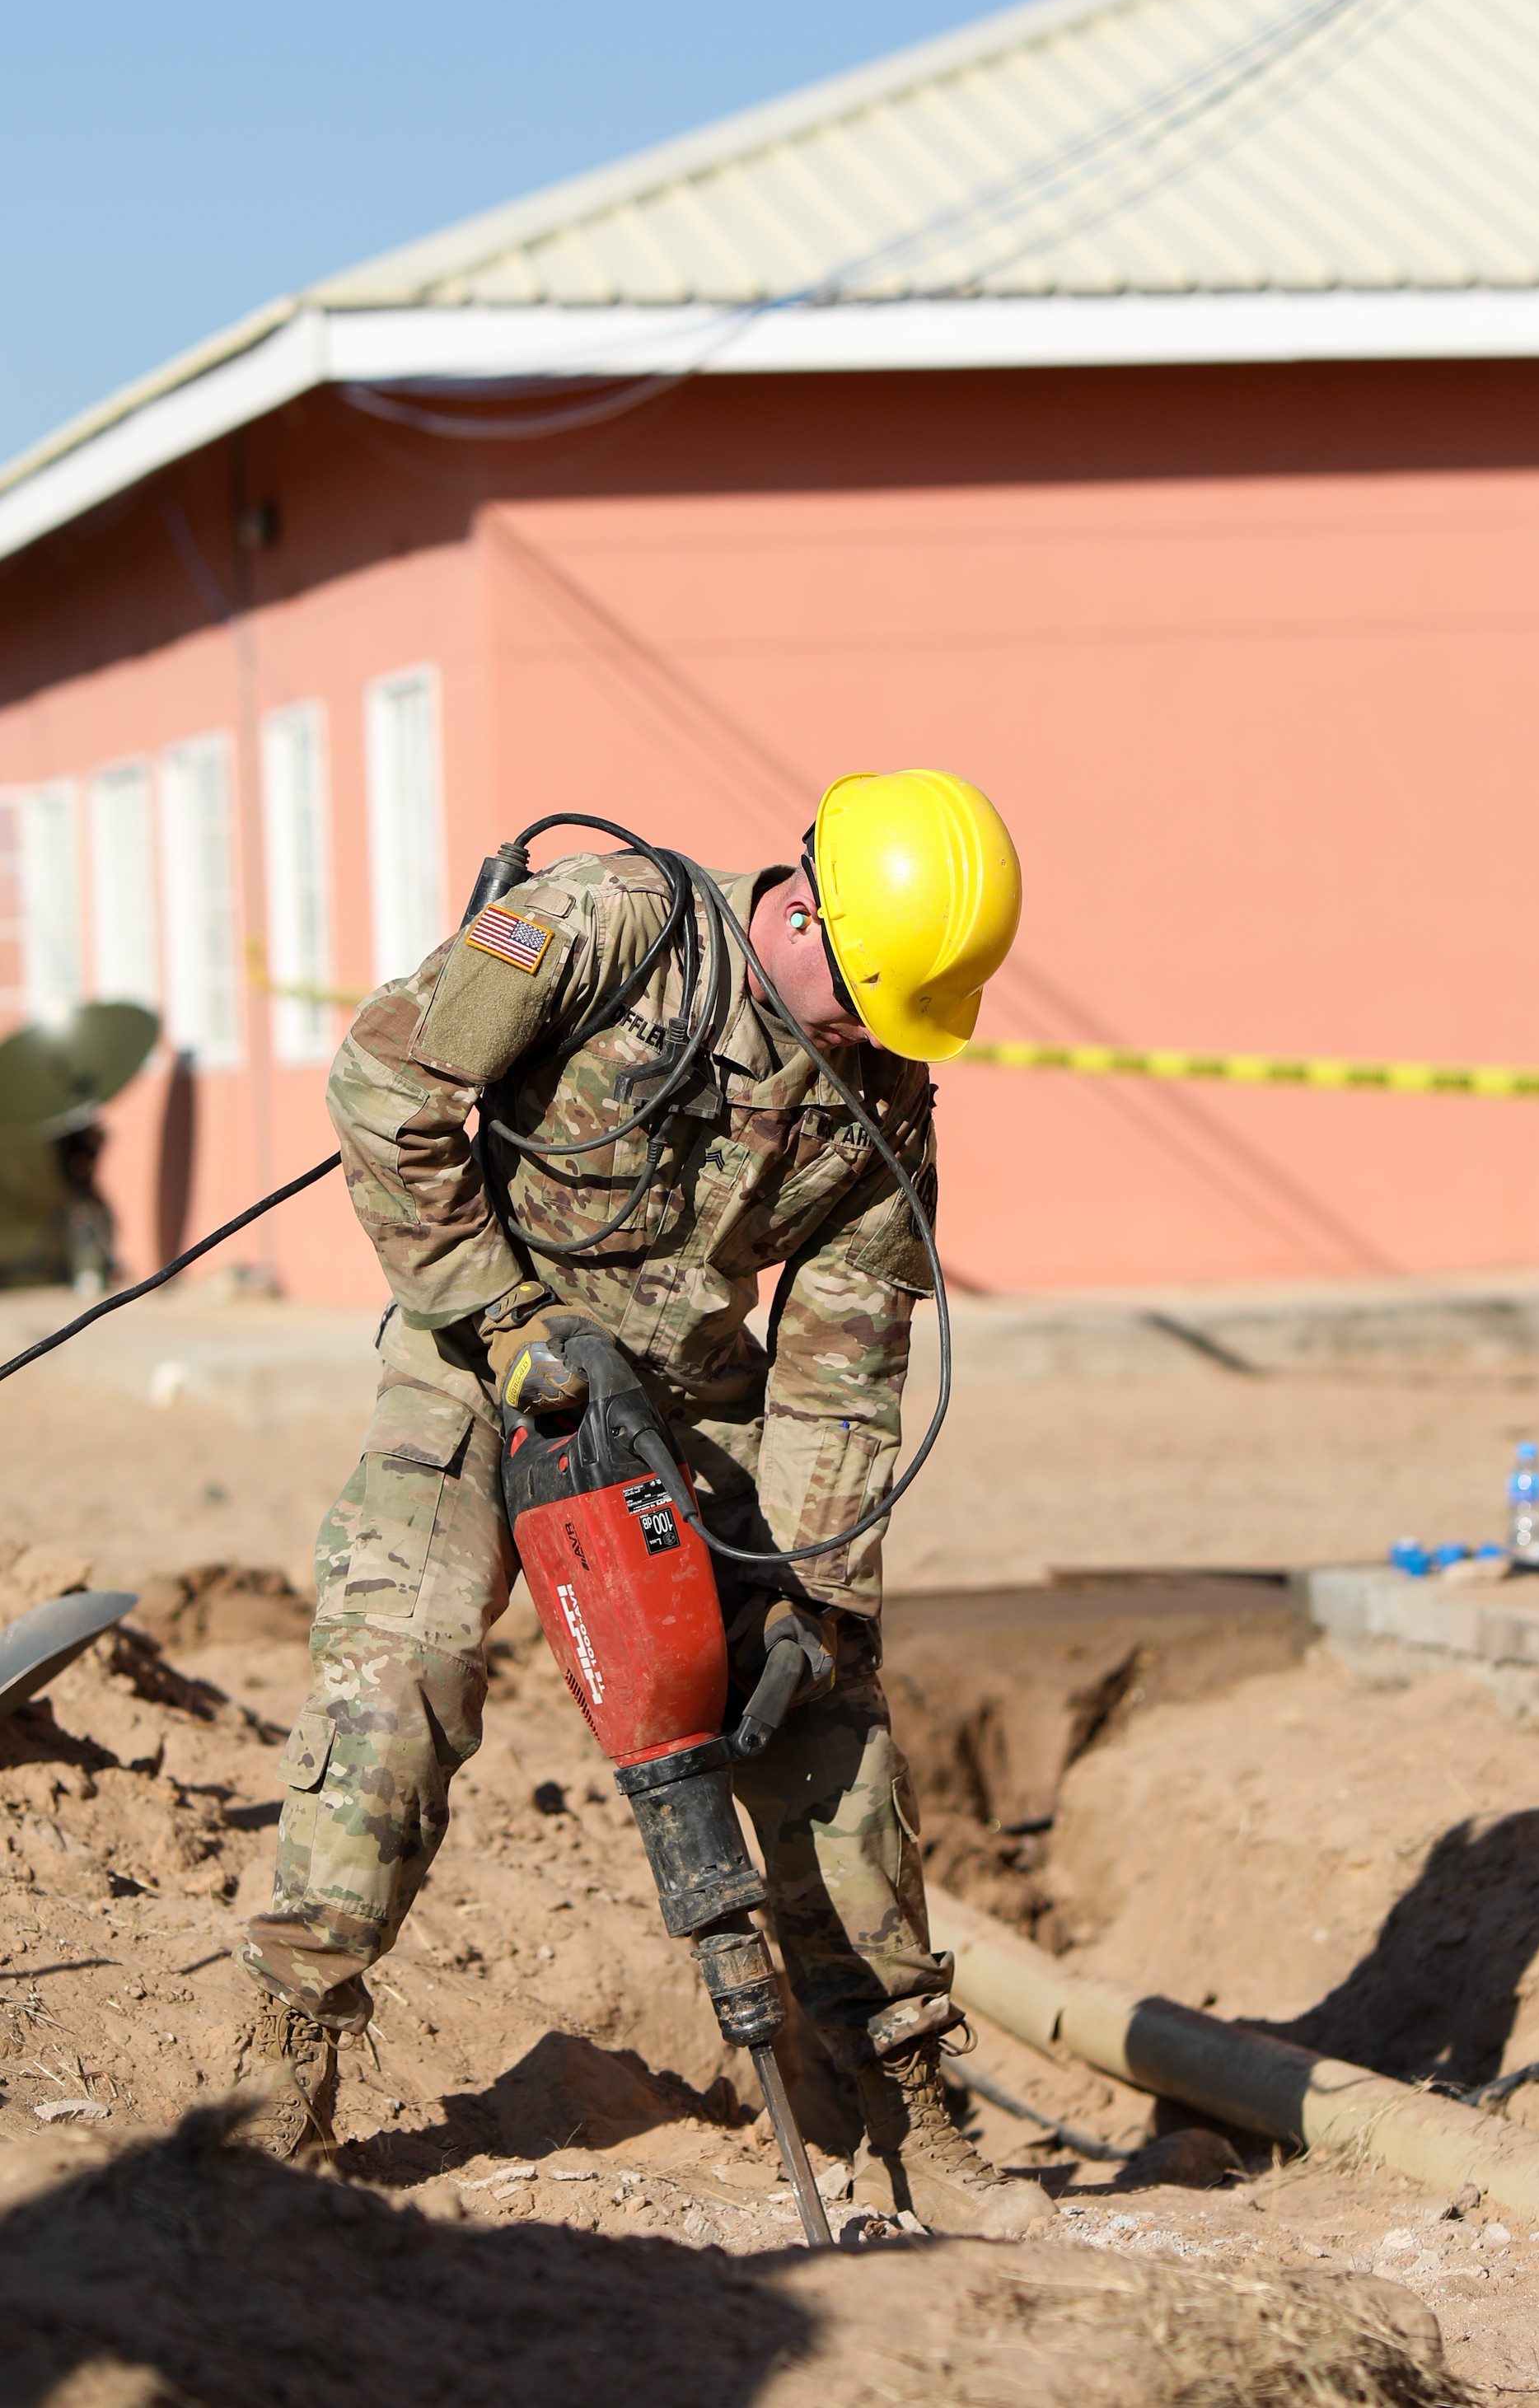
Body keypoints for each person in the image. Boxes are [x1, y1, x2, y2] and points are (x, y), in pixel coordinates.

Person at [237, 768, 1047, 2237]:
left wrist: (813, 1588)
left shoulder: (883, 1100)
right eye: (869, 996)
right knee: (401, 1668)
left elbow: (842, 1366)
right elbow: (386, 1078)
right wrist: (495, 1317)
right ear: (804, 912)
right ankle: (285, 2056)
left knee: (822, 1714)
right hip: (478, 1364)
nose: (876, 1035)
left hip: (690, 1403)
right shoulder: (616, 927)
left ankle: (907, 2104)